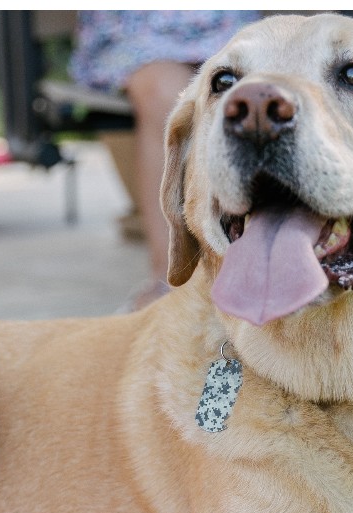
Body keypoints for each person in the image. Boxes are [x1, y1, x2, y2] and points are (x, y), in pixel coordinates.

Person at [70, 11, 260, 309]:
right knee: (165, 95)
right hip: (138, 31)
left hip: (228, 24)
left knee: (261, 85)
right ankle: (167, 280)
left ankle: (265, 269)